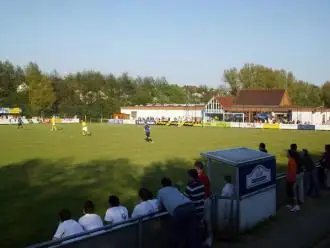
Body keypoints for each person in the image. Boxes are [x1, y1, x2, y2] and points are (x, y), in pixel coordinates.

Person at [157, 177, 202, 248]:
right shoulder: (174, 189)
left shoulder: (161, 191)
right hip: (191, 206)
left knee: (178, 233)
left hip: (179, 210)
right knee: (193, 233)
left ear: (162, 185)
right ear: (171, 184)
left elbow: (159, 207)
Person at [194, 161, 212, 247]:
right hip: (206, 199)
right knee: (206, 221)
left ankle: (205, 241)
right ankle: (208, 240)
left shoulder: (200, 178)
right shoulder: (205, 177)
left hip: (203, 200)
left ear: (197, 168)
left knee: (203, 221)